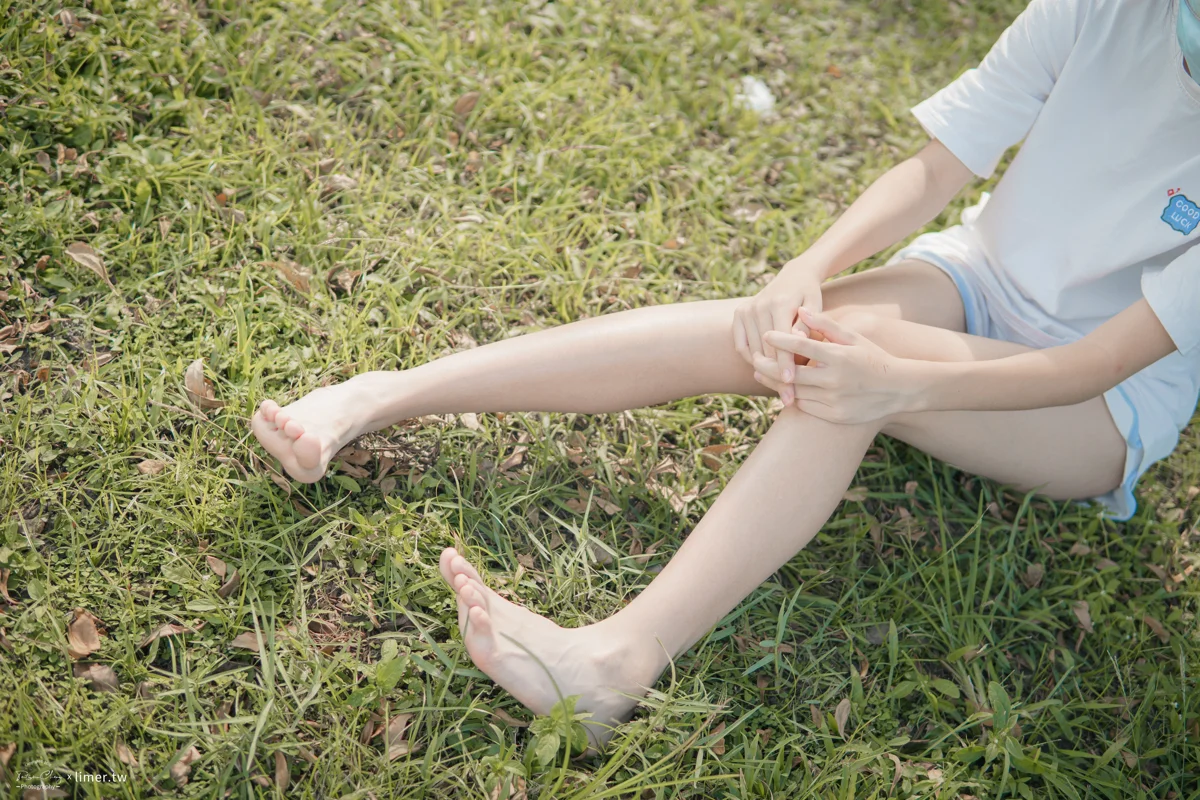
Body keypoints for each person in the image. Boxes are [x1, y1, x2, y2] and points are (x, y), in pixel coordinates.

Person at [251, 0, 1200, 747]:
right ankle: (383, 394)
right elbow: (940, 165)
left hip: (1101, 405)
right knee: (803, 335)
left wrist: (899, 385)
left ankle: (615, 664)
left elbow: (1100, 360)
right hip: (974, 278)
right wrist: (802, 271)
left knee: (844, 370)